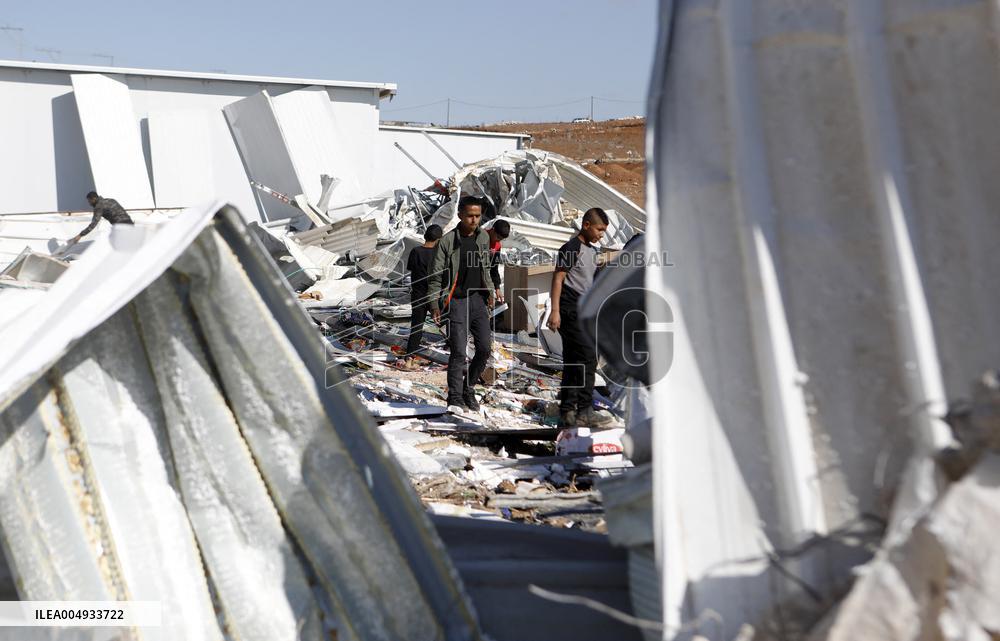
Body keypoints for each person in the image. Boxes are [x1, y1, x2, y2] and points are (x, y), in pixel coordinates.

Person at [548, 207, 613, 428]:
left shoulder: (591, 251)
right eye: (599, 229)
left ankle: (567, 411)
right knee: (587, 358)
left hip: (584, 310)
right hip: (569, 308)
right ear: (586, 225)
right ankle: (585, 410)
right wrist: (554, 311)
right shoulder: (571, 247)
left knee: (575, 360)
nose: (601, 234)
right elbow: (558, 279)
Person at [429, 196, 495, 411]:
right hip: (457, 301)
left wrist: (491, 292)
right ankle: (455, 397)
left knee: (484, 348)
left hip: (478, 300)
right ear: (460, 216)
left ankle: (469, 388)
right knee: (458, 351)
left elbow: (485, 268)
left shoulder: (483, 237)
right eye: (470, 216)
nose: (474, 220)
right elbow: (436, 276)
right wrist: (435, 305)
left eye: (477, 216)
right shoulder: (448, 241)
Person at [400, 224, 443, 370]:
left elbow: (412, 270)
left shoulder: (416, 251)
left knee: (416, 327)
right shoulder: (438, 254)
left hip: (418, 294)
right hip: (434, 296)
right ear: (438, 239)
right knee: (447, 321)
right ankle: (453, 351)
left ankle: (409, 357)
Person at [69, 192, 134, 244]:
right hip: (129, 222)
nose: (89, 204)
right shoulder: (111, 200)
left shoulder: (99, 207)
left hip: (120, 226)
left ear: (94, 199)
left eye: (89, 201)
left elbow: (93, 224)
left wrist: (80, 235)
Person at [487, 218, 510, 305]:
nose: (498, 240)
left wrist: (497, 288)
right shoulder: (480, 236)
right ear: (493, 230)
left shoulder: (497, 246)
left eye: (501, 239)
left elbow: (494, 268)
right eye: (498, 237)